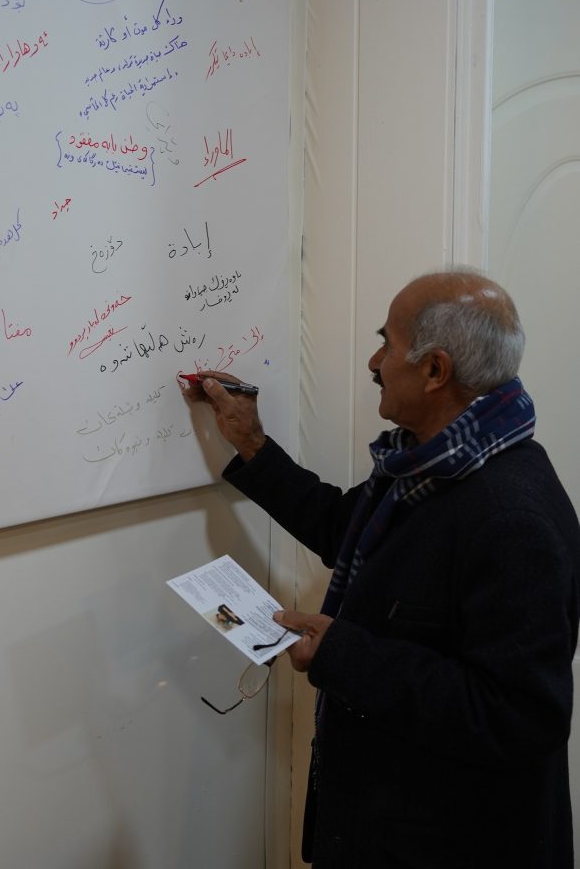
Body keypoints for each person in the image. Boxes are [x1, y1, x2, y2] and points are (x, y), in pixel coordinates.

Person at [184, 269, 580, 869]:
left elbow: (519, 719)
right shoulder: (433, 466)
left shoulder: (509, 516)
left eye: (386, 344)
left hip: (449, 846)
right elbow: (347, 531)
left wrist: (343, 653)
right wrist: (253, 444)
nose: (374, 362)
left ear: (435, 370)